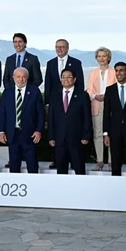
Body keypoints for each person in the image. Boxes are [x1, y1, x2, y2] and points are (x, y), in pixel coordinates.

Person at [44, 38, 84, 170]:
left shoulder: (76, 63)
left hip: (73, 103)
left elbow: (80, 84)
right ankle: (56, 161)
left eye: (62, 47)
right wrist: (48, 103)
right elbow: (48, 84)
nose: (59, 49)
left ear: (67, 48)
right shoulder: (50, 63)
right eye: (57, 47)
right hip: (56, 103)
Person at [0, 67, 44, 173]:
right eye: (18, 77)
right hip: (12, 134)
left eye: (23, 77)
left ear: (27, 78)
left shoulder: (35, 92)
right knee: (14, 165)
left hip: (30, 134)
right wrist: (1, 131)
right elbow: (2, 114)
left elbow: (40, 114)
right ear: (13, 77)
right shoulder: (7, 93)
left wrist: (38, 130)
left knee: (32, 165)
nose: (21, 79)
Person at [47, 68, 92, 175]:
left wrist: (86, 136)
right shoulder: (54, 95)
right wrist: (51, 137)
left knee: (79, 168)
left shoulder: (82, 95)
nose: (65, 79)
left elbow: (87, 117)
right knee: (61, 170)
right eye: (63, 77)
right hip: (59, 139)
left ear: (74, 79)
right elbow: (51, 118)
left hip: (77, 139)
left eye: (69, 77)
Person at [86, 46, 117, 171]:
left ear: (109, 58)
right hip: (97, 105)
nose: (101, 58)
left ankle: (111, 161)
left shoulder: (115, 71)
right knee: (98, 133)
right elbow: (89, 89)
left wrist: (107, 96)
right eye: (99, 56)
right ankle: (100, 161)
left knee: (112, 133)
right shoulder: (93, 73)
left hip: (112, 106)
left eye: (104, 56)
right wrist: (94, 96)